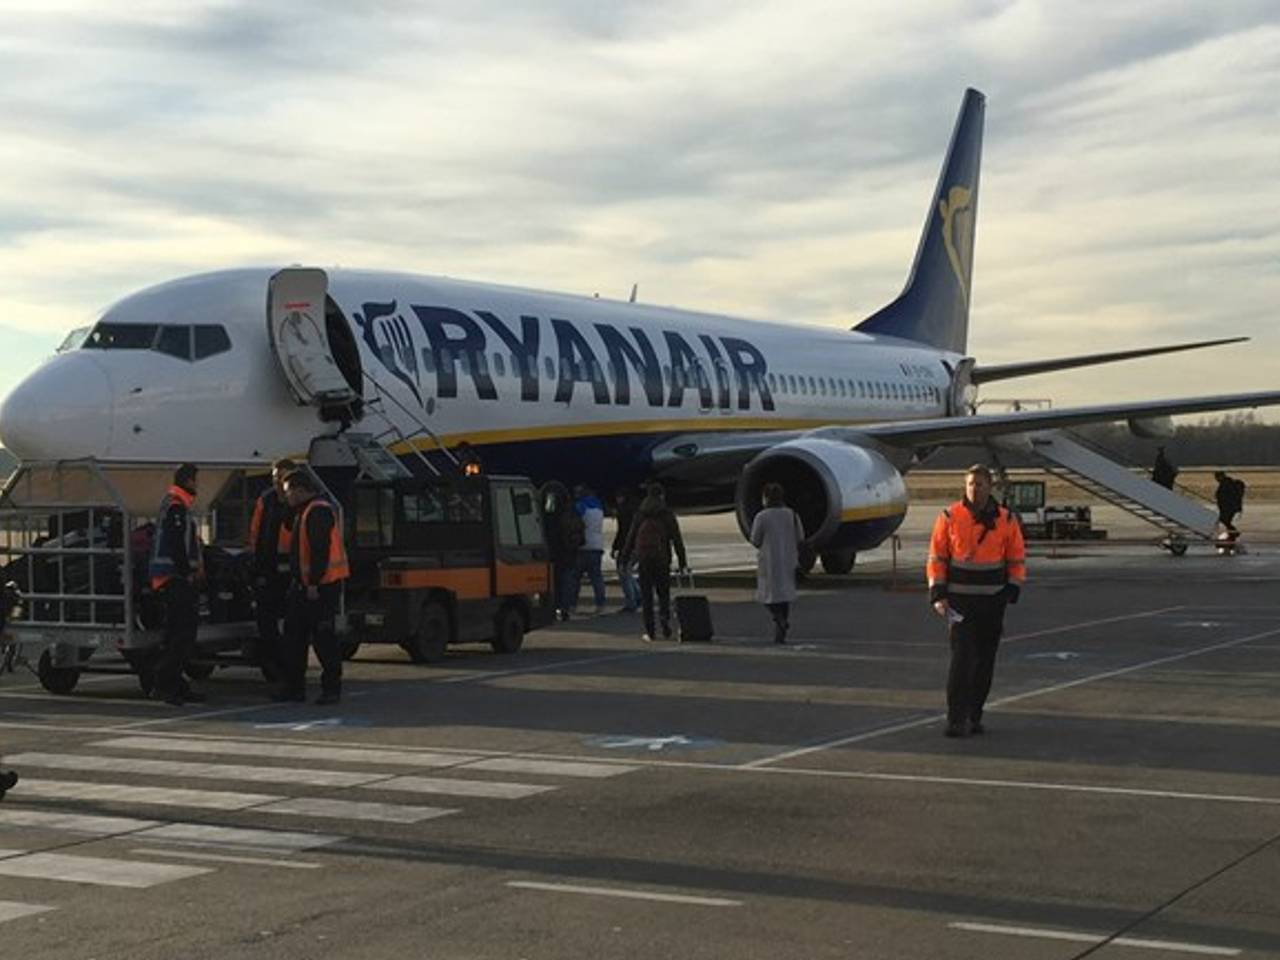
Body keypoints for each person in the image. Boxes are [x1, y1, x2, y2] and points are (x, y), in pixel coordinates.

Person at [927, 464, 1026, 738]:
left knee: (984, 661)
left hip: (992, 602)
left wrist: (1012, 589)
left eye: (979, 484)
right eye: (970, 484)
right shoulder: (949, 516)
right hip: (960, 602)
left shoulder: (1006, 520)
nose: (974, 489)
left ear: (989, 487)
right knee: (962, 659)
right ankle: (956, 718)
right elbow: (937, 558)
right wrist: (938, 593)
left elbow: (1017, 558)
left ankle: (974, 714)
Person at [277, 470, 349, 705]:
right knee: (294, 639)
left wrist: (314, 583)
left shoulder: (317, 511)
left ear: (300, 490)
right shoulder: (304, 511)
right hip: (305, 586)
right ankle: (294, 688)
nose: (286, 497)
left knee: (323, 639)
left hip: (320, 587)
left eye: (288, 493)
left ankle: (330, 689)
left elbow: (320, 550)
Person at [148, 462, 208, 706]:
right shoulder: (176, 507)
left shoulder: (177, 506)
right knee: (181, 636)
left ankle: (175, 685)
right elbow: (176, 546)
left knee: (179, 636)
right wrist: (188, 572)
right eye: (195, 480)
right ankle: (165, 685)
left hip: (172, 578)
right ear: (189, 481)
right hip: (174, 579)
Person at [619, 483, 688, 642]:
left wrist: (624, 558)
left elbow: (630, 538)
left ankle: (650, 631)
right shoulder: (667, 515)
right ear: (662, 496)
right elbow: (677, 540)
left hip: (644, 560)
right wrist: (682, 561)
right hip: (662, 559)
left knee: (647, 596)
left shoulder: (640, 514)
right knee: (663, 594)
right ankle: (665, 622)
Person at [248, 458, 297, 678]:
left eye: (282, 477)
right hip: (267, 567)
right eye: (275, 477)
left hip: (291, 569)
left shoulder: (297, 501)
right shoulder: (265, 500)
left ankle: (289, 668)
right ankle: (273, 665)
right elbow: (256, 532)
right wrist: (254, 561)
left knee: (291, 623)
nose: (277, 481)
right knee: (266, 621)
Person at [750, 482, 805, 644]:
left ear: (766, 498)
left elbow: (755, 539)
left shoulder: (762, 516)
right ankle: (781, 631)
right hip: (789, 559)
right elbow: (800, 536)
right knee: (785, 596)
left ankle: (778, 619)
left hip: (769, 561)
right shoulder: (792, 515)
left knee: (766, 596)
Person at [542, 481, 581, 621]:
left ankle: (560, 608)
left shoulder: (548, 516)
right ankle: (563, 607)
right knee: (565, 582)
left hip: (559, 552)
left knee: (560, 583)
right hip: (565, 553)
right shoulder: (572, 512)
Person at [572, 485, 607, 616]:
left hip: (583, 546)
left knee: (575, 578)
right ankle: (601, 605)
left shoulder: (580, 507)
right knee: (597, 578)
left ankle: (572, 604)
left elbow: (575, 523)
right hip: (597, 545)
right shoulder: (599, 508)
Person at [610, 488, 640, 613]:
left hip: (626, 546)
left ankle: (631, 602)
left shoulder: (623, 512)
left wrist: (615, 547)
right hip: (637, 545)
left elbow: (622, 532)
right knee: (627, 572)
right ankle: (638, 596)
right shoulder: (636, 511)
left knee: (623, 573)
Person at [1214, 470, 1246, 535]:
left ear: (1221, 476)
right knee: (1225, 520)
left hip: (1229, 507)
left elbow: (1227, 496)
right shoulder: (1226, 483)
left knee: (1224, 520)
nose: (1216, 479)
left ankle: (1234, 533)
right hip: (1229, 507)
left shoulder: (1226, 484)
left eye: (1217, 477)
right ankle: (1232, 533)